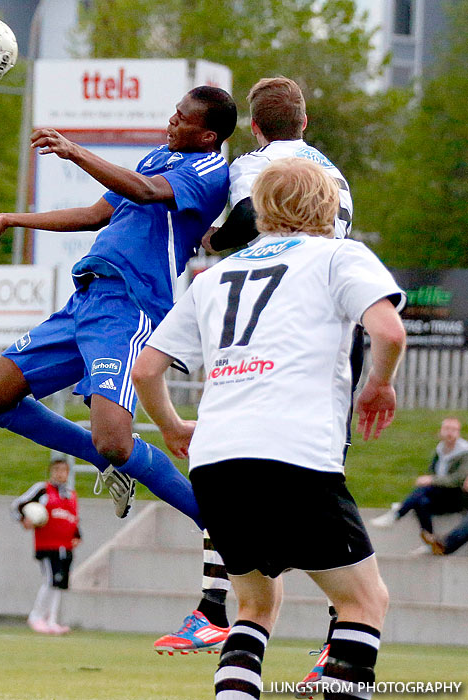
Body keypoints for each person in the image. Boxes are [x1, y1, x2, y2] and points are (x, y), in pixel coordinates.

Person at [132, 157, 406, 700]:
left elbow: (144, 367)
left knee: (254, 607)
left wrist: (169, 425)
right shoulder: (336, 255)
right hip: (294, 453)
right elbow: (388, 331)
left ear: (260, 210)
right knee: (363, 602)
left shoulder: (216, 276)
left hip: (216, 460)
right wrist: (378, 385)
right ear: (328, 206)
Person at [0, 87, 237, 528]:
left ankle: (216, 522)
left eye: (182, 117)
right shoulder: (159, 157)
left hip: (130, 306)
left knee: (115, 440)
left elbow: (148, 191)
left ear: (208, 136)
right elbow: (95, 214)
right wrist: (13, 218)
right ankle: (110, 461)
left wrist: (75, 152)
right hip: (86, 298)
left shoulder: (209, 170)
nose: (171, 121)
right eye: (173, 111)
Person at [154, 75, 353, 658]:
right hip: (334, 328)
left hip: (270, 324)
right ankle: (341, 639)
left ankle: (215, 608)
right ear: (305, 123)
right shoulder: (335, 173)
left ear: (259, 128)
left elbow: (244, 221)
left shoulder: (255, 163)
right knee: (327, 476)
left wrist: (215, 240)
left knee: (227, 456)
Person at [11, 458, 80, 634]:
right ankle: (36, 616)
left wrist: (77, 535)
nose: (60, 473)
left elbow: (72, 518)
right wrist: (23, 519)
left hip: (65, 546)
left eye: (63, 470)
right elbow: (18, 505)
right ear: (51, 471)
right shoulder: (43, 490)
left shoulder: (71, 495)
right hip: (48, 545)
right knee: (50, 580)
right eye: (56, 470)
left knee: (59, 584)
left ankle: (52, 620)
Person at [371, 417, 468, 537]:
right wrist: (431, 480)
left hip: (456, 496)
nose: (449, 433)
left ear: (458, 433)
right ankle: (430, 540)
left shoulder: (464, 452)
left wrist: (432, 480)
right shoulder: (440, 449)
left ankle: (397, 514)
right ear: (441, 431)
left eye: (454, 430)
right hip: (439, 493)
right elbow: (433, 471)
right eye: (447, 429)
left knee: (423, 489)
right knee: (421, 502)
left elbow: (458, 479)